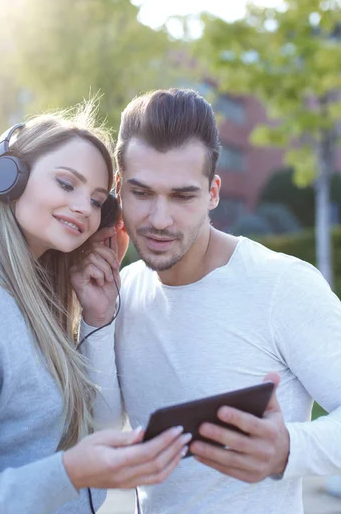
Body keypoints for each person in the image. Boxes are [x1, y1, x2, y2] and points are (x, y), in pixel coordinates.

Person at [71, 88, 341, 514]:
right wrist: (97, 320)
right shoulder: (121, 291)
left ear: (213, 192)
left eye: (182, 196)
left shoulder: (281, 286)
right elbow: (103, 428)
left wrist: (290, 448)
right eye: (142, 193)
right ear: (118, 189)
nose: (159, 219)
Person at [0, 106, 191, 514]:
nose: (83, 209)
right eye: (65, 183)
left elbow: (89, 430)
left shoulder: (37, 300)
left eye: (97, 202)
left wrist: (96, 316)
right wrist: (71, 472)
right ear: (10, 179)